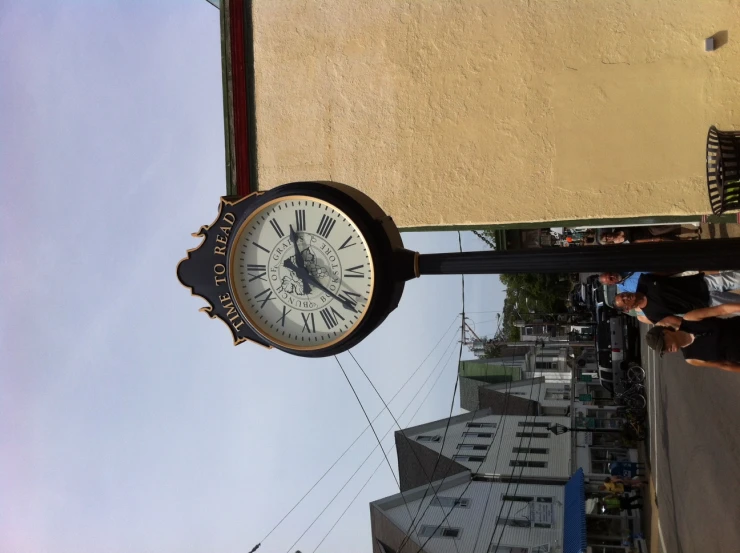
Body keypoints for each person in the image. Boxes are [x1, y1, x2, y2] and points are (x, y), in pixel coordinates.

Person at [613, 271, 740, 324]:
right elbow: (679, 322)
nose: (626, 297)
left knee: (736, 277)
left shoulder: (644, 281)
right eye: (624, 300)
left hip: (702, 282)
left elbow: (670, 272)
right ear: (627, 309)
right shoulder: (653, 315)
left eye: (623, 295)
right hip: (708, 303)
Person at [644, 303, 740, 373]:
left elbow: (722, 310)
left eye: (663, 345)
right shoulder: (691, 358)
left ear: (665, 332)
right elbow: (724, 364)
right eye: (663, 351)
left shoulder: (690, 319)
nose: (666, 350)